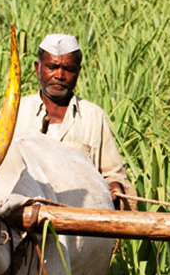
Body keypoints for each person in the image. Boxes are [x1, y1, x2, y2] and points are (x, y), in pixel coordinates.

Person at [15, 33, 131, 209]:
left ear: (78, 71)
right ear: (38, 68)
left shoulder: (94, 117)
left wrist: (115, 187)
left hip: (80, 219)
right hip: (24, 220)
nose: (60, 75)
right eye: (52, 67)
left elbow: (113, 174)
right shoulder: (15, 113)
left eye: (68, 69)